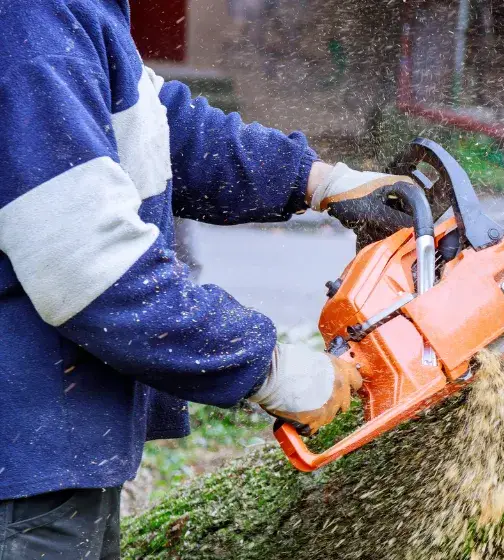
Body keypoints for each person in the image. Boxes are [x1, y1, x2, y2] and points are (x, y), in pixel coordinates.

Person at [0, 1, 408, 557]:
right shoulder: (31, 18)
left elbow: (143, 122)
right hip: (22, 461)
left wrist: (317, 180)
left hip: (45, 448)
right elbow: (91, 268)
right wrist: (271, 368)